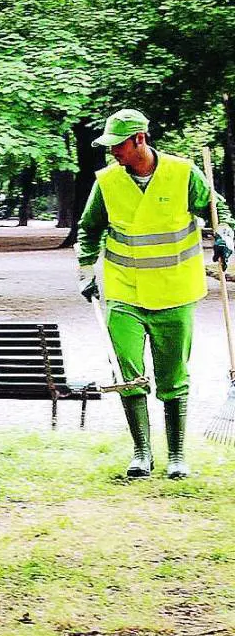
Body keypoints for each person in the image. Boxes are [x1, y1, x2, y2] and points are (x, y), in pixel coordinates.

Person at [77, 108, 234, 480]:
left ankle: (177, 456)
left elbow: (219, 210)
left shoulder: (183, 173)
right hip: (123, 291)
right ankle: (141, 453)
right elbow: (89, 230)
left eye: (117, 145)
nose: (112, 152)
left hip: (175, 291)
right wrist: (86, 271)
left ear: (139, 140)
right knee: (127, 370)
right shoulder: (107, 182)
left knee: (173, 376)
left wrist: (224, 234)